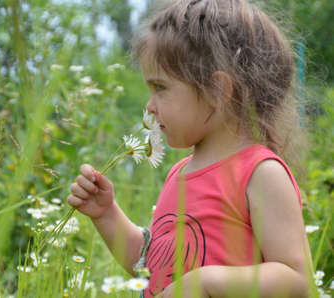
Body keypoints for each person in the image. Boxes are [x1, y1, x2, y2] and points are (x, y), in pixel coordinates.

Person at [67, 0, 314, 297]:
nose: (150, 106)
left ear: (217, 91)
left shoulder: (261, 173)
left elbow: (296, 281)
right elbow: (153, 269)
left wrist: (204, 282)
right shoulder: (179, 174)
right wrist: (106, 214)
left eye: (160, 88)